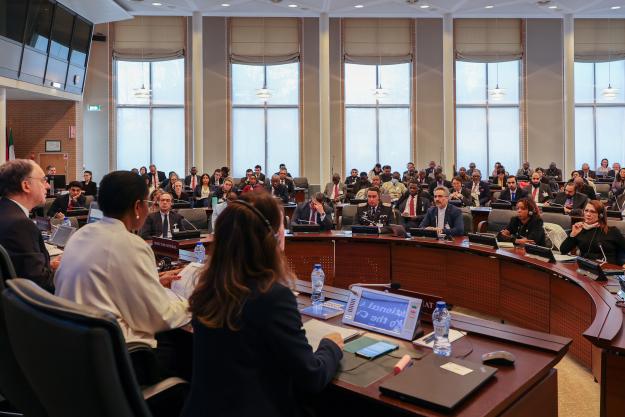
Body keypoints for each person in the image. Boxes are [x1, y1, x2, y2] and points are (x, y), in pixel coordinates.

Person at [182, 191, 343, 417]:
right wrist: (331, 346)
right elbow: (312, 377)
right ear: (273, 238)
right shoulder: (273, 297)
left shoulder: (208, 287)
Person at [54, 170, 191, 385]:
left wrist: (154, 279)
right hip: (121, 360)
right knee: (184, 347)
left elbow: (108, 278)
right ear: (138, 207)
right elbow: (159, 316)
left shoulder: (81, 234)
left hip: (77, 350)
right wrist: (193, 303)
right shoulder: (131, 245)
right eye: (148, 202)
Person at [0, 159, 57, 292]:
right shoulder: (20, 224)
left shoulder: (5, 212)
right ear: (26, 186)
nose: (47, 186)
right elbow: (40, 285)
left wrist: (48, 266)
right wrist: (65, 270)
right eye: (43, 180)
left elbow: (21, 267)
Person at [560, 200, 625, 266]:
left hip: (607, 269)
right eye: (586, 210)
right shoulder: (580, 229)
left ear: (600, 215)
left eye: (592, 212)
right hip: (584, 268)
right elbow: (563, 250)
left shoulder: (612, 231)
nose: (588, 214)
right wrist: (573, 234)